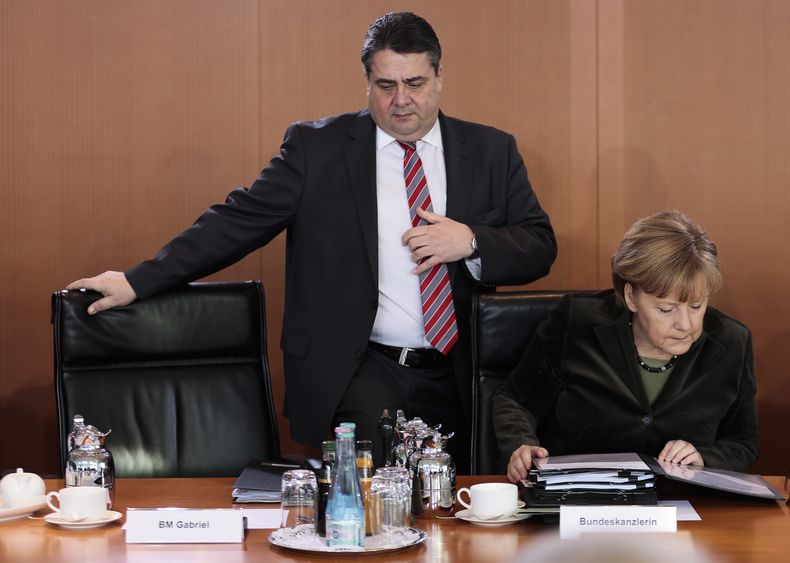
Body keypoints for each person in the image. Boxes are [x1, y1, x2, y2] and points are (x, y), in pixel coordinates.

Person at [67, 12, 557, 470]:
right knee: (370, 508)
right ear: (366, 81)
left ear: (439, 77)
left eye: (415, 84)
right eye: (386, 85)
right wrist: (138, 280)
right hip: (363, 367)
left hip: (462, 370)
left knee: (457, 510)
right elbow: (235, 223)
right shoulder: (316, 149)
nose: (401, 100)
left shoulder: (492, 150)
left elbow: (539, 246)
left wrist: (471, 241)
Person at [493, 210, 758, 482]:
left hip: (680, 505)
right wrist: (520, 444)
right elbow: (515, 400)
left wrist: (704, 458)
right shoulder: (576, 325)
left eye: (696, 305)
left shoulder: (731, 342)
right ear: (631, 297)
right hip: (576, 499)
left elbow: (743, 441)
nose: (686, 324)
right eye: (666, 309)